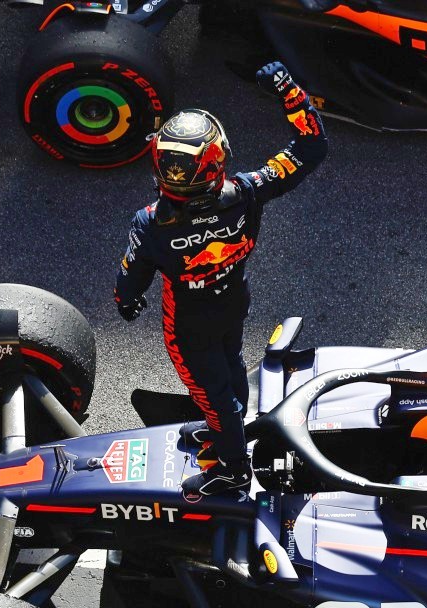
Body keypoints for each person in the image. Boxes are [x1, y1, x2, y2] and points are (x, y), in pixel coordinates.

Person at [114, 61, 327, 499]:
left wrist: (129, 301)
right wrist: (289, 90)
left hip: (188, 324)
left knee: (212, 397)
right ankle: (229, 429)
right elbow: (311, 146)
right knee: (229, 366)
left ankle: (232, 469)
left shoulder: (149, 225)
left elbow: (129, 285)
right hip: (234, 299)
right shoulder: (249, 190)